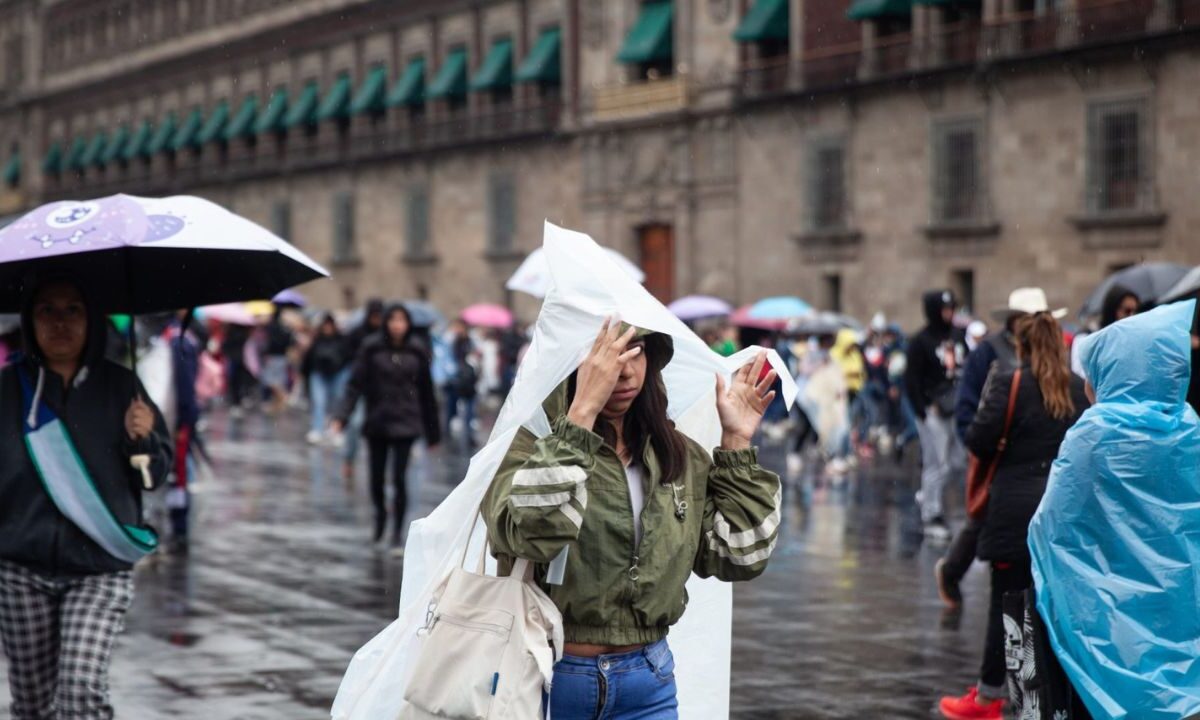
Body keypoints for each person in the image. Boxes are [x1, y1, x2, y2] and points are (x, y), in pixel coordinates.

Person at [483, 319, 781, 719]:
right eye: (610, 354)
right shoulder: (532, 445)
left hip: (648, 683)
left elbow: (739, 555)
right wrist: (581, 414)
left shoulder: (679, 456)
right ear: (577, 363)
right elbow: (530, 534)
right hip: (547, 679)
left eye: (636, 351)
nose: (625, 370)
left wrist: (737, 442)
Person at [0, 277, 172, 719]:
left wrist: (144, 440)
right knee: (32, 704)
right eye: (47, 311)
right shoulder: (6, 390)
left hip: (100, 568)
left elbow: (154, 478)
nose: (60, 323)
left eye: (72, 310)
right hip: (20, 569)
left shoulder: (122, 387)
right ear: (29, 321)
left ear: (91, 319)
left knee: (80, 694)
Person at [1028, 301, 1200, 720]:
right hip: (1177, 607)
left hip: (1107, 611)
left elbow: (1051, 527)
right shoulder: (1188, 428)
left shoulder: (1095, 435)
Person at [938, 311, 1088, 720]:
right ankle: (1057, 698)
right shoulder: (1078, 389)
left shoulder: (1010, 381)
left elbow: (979, 440)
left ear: (1021, 346)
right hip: (1060, 514)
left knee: (1008, 607)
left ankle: (995, 699)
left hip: (1013, 515)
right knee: (1053, 608)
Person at [937, 287, 1065, 609]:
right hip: (999, 451)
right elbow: (968, 408)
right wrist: (981, 443)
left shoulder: (1051, 357)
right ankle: (952, 570)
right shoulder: (988, 353)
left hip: (1034, 455)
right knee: (984, 514)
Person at [333, 304, 440, 552]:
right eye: (392, 319)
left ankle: (396, 532)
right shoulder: (371, 348)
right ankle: (380, 518)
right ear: (386, 323)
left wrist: (433, 431)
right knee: (376, 479)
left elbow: (427, 393)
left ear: (408, 323)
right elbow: (355, 385)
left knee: (400, 478)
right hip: (378, 420)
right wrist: (342, 416)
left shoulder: (417, 350)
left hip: (406, 422)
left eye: (402, 320)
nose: (397, 325)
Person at [904, 290, 968, 539]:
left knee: (957, 462)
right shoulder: (921, 341)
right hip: (933, 410)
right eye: (944, 309)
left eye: (952, 308)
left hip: (956, 407)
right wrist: (922, 410)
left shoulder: (957, 336)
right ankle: (931, 513)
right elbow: (911, 378)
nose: (949, 313)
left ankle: (928, 496)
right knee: (936, 462)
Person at [165, 311, 201, 552]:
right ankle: (178, 529)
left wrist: (184, 421)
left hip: (174, 420)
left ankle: (179, 529)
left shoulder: (175, 340)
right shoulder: (179, 338)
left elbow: (185, 389)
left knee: (177, 475)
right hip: (174, 419)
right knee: (176, 475)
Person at [339, 298, 385, 482]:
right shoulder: (358, 334)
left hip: (381, 388)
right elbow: (346, 354)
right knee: (356, 423)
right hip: (361, 385)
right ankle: (349, 458)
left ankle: (380, 468)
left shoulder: (386, 336)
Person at [1070, 284, 1139, 377]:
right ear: (1113, 309)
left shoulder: (1132, 339)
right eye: (1127, 311)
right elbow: (1079, 373)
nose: (1132, 316)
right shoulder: (1086, 338)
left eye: (1135, 311)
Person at [302, 313, 349, 445]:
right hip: (319, 374)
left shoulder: (341, 340)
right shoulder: (317, 340)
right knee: (319, 402)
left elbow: (347, 357)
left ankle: (335, 429)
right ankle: (317, 429)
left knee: (337, 401)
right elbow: (308, 359)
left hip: (337, 374)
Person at [442, 319, 479, 445]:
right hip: (455, 380)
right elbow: (446, 360)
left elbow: (476, 358)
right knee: (451, 407)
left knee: (470, 410)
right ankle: (446, 433)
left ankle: (469, 435)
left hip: (468, 380)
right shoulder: (451, 341)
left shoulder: (471, 341)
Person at [261, 307, 293, 414]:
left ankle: (284, 396)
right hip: (282, 356)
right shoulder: (284, 327)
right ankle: (278, 403)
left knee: (269, 380)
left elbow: (269, 342)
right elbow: (289, 342)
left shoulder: (272, 327)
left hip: (273, 356)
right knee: (277, 379)